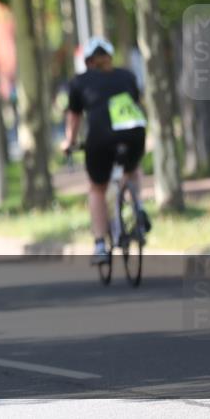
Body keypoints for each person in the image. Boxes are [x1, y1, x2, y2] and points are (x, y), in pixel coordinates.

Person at [61, 37, 151, 263]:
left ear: (88, 61)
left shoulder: (79, 82)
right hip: (134, 134)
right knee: (132, 169)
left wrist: (69, 143)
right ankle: (137, 207)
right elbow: (138, 104)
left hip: (100, 139)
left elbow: (74, 118)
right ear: (110, 58)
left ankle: (100, 245)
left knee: (97, 188)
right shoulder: (128, 76)